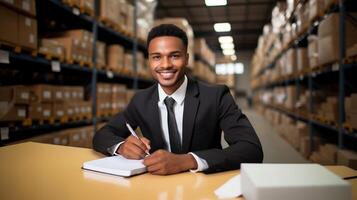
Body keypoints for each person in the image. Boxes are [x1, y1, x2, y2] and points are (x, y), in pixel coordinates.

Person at [93, 24, 263, 175]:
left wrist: (186, 161)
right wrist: (122, 146)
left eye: (174, 56)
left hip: (203, 186)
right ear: (149, 60)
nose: (165, 65)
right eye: (157, 57)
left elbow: (251, 149)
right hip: (158, 188)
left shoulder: (216, 96)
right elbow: (103, 135)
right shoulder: (141, 100)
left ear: (187, 59)